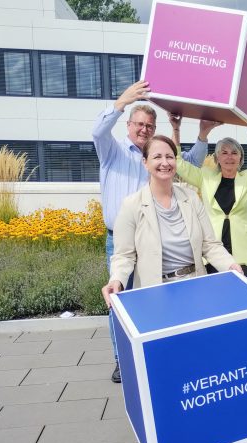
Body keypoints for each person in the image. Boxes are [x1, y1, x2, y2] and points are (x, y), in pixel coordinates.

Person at [101, 134, 242, 443]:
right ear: (145, 162)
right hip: (158, 296)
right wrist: (116, 280)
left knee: (201, 369)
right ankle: (182, 438)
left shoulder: (190, 197)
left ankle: (202, 439)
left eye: (169, 156)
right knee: (173, 372)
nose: (164, 162)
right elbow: (123, 255)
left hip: (194, 291)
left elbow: (210, 245)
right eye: (157, 156)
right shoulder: (133, 205)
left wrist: (231, 265)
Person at [92, 79, 217, 383]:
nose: (144, 129)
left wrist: (201, 134)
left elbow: (189, 163)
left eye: (150, 125)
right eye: (139, 124)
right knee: (120, 302)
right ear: (128, 125)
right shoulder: (113, 152)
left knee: (156, 304)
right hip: (121, 239)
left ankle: (161, 358)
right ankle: (124, 359)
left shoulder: (161, 157)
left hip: (159, 239)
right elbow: (97, 131)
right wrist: (123, 101)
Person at [170, 114, 247, 281]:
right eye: (224, 153)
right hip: (213, 253)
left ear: (240, 158)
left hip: (244, 254)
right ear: (217, 158)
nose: (229, 157)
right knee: (215, 301)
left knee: (243, 301)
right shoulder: (205, 177)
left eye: (234, 153)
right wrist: (176, 129)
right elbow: (177, 162)